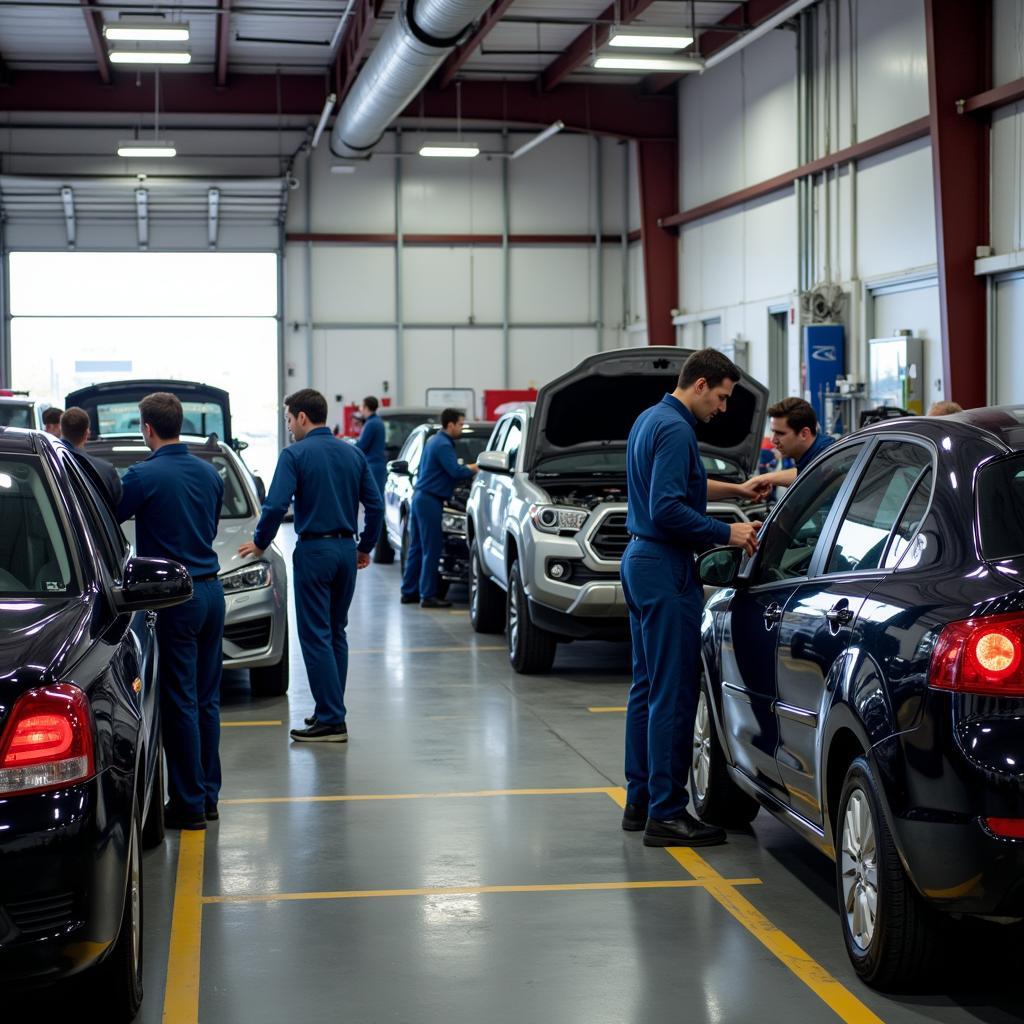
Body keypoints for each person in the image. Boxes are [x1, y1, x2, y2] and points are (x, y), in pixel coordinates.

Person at [621, 348, 766, 848]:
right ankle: (667, 812)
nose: (722, 409)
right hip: (665, 566)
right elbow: (667, 508)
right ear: (700, 384)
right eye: (722, 397)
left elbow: (684, 485)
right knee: (673, 692)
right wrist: (728, 533)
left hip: (640, 561)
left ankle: (639, 800)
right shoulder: (679, 428)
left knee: (646, 685)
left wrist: (737, 490)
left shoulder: (650, 419)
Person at [238, 389, 383, 743]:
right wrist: (364, 547)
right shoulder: (353, 454)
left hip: (315, 552)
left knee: (316, 635)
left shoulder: (295, 455)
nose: (288, 427)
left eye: (288, 419)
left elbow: (274, 506)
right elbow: (375, 506)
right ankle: (328, 709)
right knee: (336, 633)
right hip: (346, 551)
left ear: (302, 417)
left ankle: (332, 720)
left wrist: (259, 542)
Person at [117, 393, 225, 831]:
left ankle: (189, 805)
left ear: (147, 428)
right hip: (213, 595)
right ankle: (209, 796)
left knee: (179, 700)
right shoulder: (210, 473)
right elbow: (210, 527)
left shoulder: (143, 476)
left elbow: (110, 520)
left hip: (174, 600)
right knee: (206, 699)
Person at [400, 408, 477, 609]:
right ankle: (428, 595)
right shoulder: (443, 444)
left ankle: (409, 592)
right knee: (431, 549)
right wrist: (476, 467)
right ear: (450, 424)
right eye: (460, 424)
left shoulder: (434, 440)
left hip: (420, 498)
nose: (462, 428)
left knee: (416, 548)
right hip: (430, 501)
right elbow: (455, 471)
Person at [754, 397, 834, 490]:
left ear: (804, 434)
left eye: (780, 433)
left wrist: (761, 479)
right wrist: (760, 480)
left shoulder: (827, 458)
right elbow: (804, 475)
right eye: (773, 432)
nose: (773, 440)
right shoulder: (813, 456)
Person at [59, 406, 122, 507]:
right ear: (87, 434)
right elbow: (116, 510)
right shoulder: (106, 470)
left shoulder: (46, 463)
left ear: (61, 430)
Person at [355, 396, 388, 551]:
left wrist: (349, 446)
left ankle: (379, 545)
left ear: (367, 407)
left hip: (373, 467)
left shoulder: (371, 424)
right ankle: (380, 545)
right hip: (378, 466)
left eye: (361, 406)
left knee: (374, 505)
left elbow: (361, 445)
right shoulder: (377, 422)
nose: (360, 409)